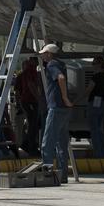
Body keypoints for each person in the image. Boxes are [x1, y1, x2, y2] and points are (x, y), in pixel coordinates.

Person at [39, 43, 72, 178]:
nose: (42, 56)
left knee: (48, 142)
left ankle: (47, 174)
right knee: (61, 142)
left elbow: (61, 78)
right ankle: (62, 174)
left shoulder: (52, 65)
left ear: (49, 54)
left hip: (56, 107)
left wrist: (64, 97)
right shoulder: (61, 64)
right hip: (64, 109)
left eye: (44, 53)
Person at [14, 56, 43, 156]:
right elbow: (30, 86)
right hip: (29, 101)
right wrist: (38, 97)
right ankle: (30, 146)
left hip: (28, 101)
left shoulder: (30, 72)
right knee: (32, 125)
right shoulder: (29, 72)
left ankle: (28, 143)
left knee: (33, 124)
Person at [86, 56, 104, 158]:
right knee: (100, 129)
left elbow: (88, 90)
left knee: (94, 129)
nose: (93, 65)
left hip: (94, 103)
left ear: (98, 64)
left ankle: (98, 153)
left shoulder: (95, 77)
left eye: (94, 63)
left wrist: (75, 101)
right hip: (103, 103)